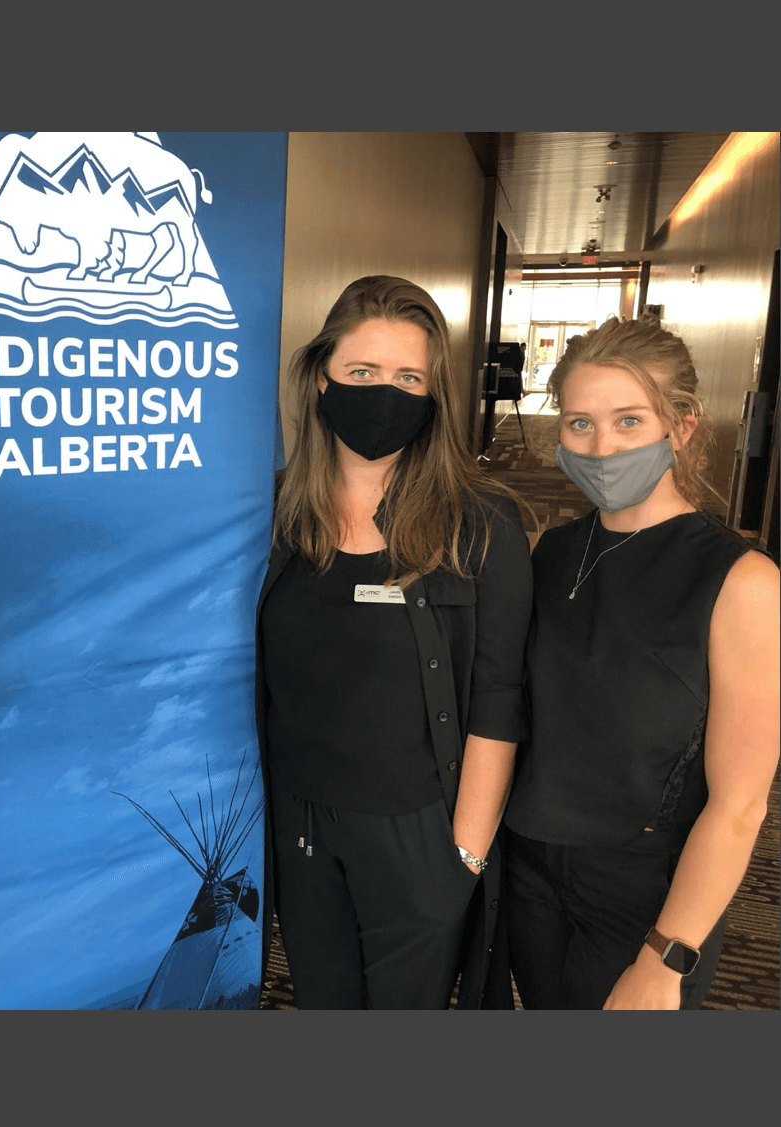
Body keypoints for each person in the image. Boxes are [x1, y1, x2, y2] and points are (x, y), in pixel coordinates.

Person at [255, 275, 533, 1009]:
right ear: (321, 378)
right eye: (362, 371)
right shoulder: (273, 515)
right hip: (298, 827)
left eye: (409, 377)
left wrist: (464, 854)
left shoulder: (480, 526)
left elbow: (498, 699)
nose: (385, 393)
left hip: (420, 835)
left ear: (433, 394)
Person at [504, 316, 780, 1009]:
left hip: (645, 895)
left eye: (629, 421)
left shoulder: (741, 580)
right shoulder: (552, 551)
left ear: (681, 426)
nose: (601, 447)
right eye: (580, 424)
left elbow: (740, 804)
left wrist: (667, 954)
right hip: (529, 868)